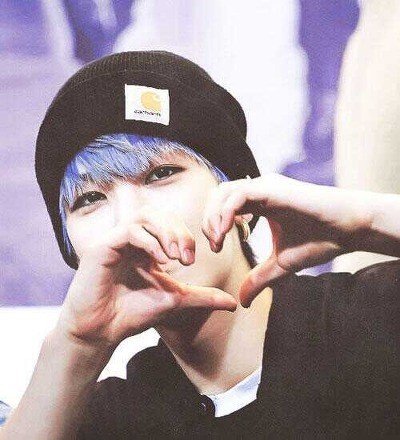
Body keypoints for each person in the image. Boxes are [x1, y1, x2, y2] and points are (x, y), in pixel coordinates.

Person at [1, 50, 400, 439]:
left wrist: (363, 220)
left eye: (161, 174)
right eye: (89, 199)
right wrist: (77, 344)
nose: (130, 221)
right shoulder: (106, 418)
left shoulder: (374, 316)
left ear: (244, 200)